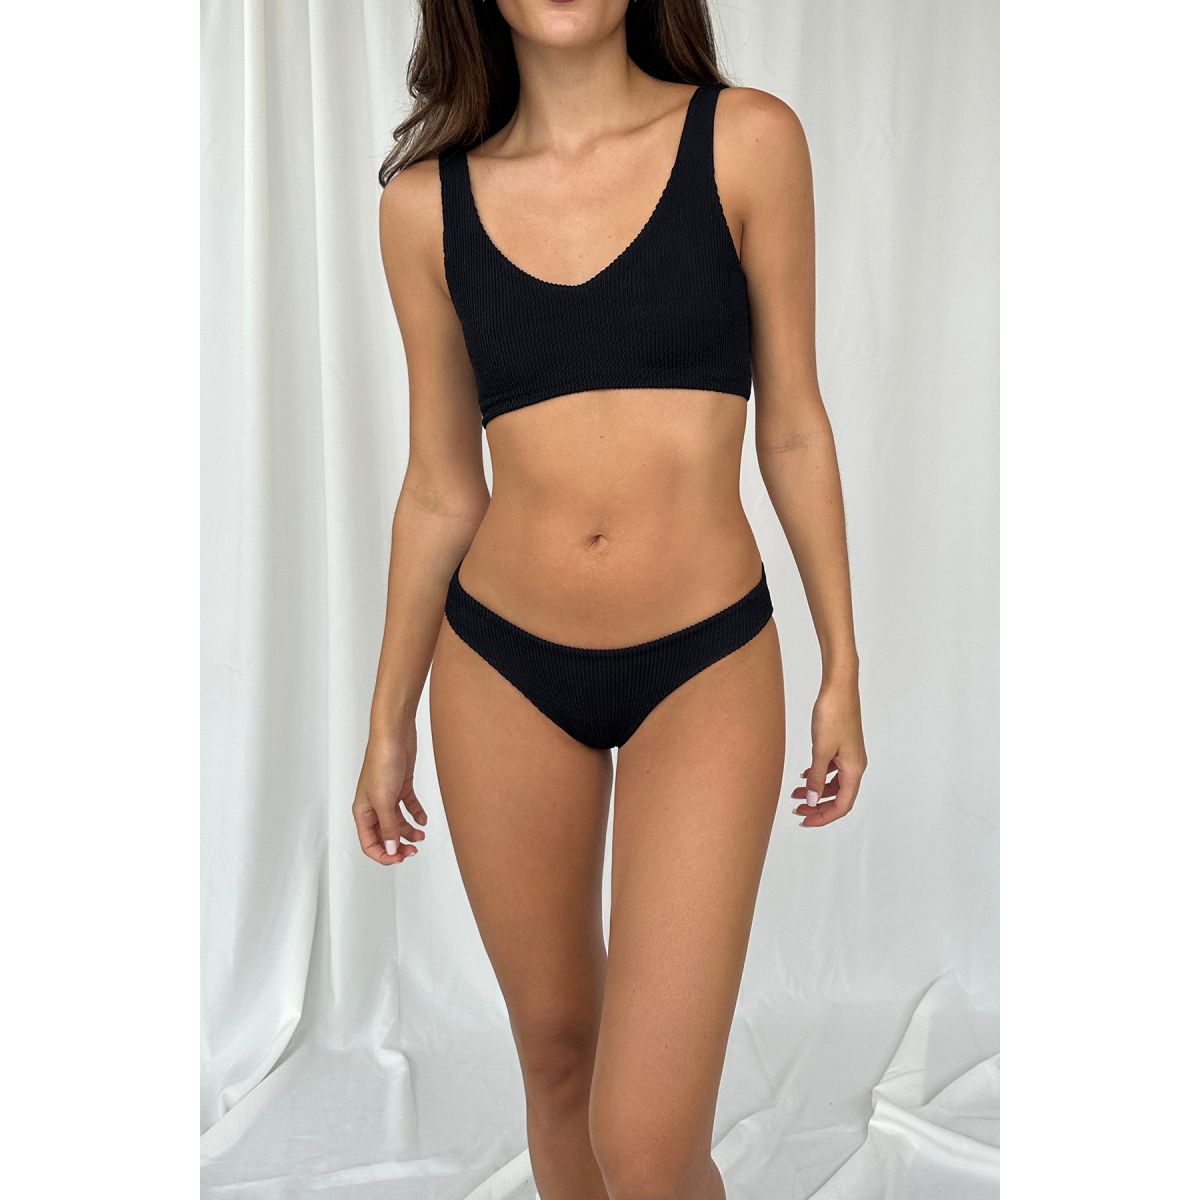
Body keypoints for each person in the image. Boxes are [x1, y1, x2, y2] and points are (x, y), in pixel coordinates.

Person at [353, 2, 867, 1196]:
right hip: (500, 669)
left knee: (646, 1143)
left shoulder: (747, 143)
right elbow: (440, 488)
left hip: (705, 662)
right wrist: (387, 721)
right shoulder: (423, 208)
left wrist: (842, 663)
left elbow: (794, 425)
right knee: (558, 1062)